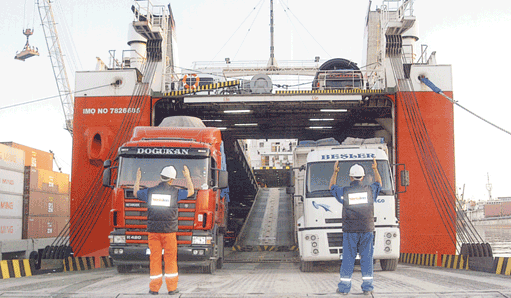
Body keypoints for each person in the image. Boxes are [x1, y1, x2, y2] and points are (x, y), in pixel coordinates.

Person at [134, 165, 194, 295]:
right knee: (170, 259)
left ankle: (154, 289)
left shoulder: (149, 192)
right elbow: (191, 191)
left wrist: (138, 179)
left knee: (154, 258)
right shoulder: (175, 192)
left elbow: (135, 193)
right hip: (169, 232)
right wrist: (188, 176)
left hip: (153, 232)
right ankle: (172, 288)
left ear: (161, 177)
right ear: (172, 180)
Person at [329, 159, 382, 296]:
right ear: (363, 177)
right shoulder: (370, 191)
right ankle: (368, 288)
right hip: (366, 229)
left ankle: (344, 288)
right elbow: (379, 184)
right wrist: (375, 169)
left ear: (351, 177)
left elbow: (332, 187)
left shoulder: (345, 191)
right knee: (367, 258)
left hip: (350, 230)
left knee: (348, 258)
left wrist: (335, 172)